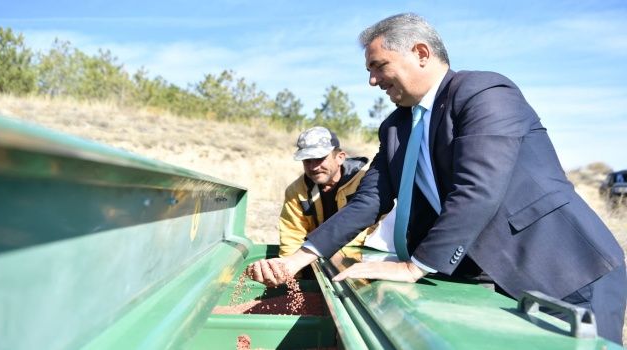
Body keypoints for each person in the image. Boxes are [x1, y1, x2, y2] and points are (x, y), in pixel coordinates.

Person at [248, 13, 626, 344]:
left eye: (379, 66)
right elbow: (369, 201)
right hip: (485, 283)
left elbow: (478, 190)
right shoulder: (396, 127)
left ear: (421, 53)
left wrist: (414, 267)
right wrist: (297, 260)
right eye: (369, 71)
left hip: (565, 274)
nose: (373, 81)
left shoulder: (484, 93)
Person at [278, 126, 374, 257]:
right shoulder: (296, 191)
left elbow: (376, 228)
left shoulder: (366, 182)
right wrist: (288, 271)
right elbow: (292, 235)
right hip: (315, 258)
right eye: (307, 161)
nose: (314, 167)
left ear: (340, 157)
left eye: (320, 159)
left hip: (362, 258)